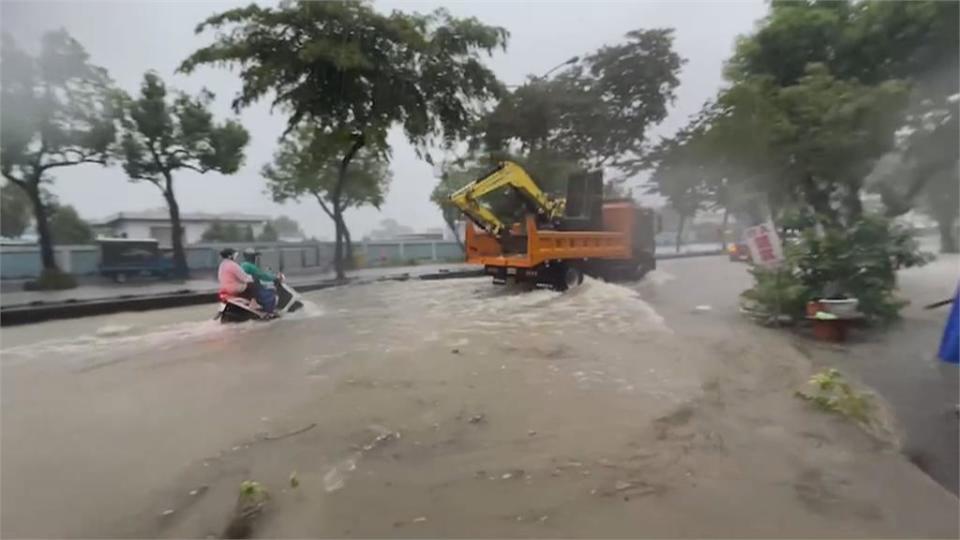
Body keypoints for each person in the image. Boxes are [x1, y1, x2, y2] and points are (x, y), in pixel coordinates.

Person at [239, 248, 278, 314]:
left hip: (245, 289)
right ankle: (269, 313)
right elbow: (263, 276)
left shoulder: (242, 265)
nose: (255, 258)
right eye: (255, 256)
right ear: (252, 257)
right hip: (252, 289)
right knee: (270, 295)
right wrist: (275, 277)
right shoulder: (250, 266)